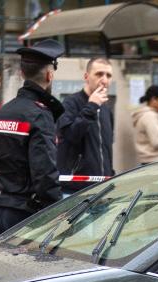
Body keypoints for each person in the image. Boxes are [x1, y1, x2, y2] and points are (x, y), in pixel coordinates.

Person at [0, 39, 65, 237]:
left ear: (21, 73)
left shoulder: (2, 113)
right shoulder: (40, 115)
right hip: (28, 217)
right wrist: (60, 210)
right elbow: (44, 173)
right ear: (50, 75)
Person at [56, 57, 115, 191]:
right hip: (75, 190)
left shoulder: (106, 109)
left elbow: (107, 148)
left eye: (108, 75)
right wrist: (91, 106)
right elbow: (70, 137)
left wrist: (110, 175)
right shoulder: (70, 104)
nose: (104, 80)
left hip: (102, 188)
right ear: (86, 77)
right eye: (99, 74)